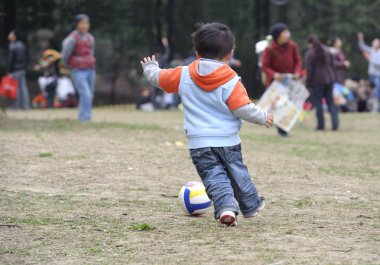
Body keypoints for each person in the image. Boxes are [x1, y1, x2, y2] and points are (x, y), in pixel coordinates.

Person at [140, 22, 274, 226]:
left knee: (214, 177)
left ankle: (226, 208)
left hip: (199, 143)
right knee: (238, 172)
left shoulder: (183, 74)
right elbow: (242, 107)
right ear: (230, 55)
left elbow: (159, 78)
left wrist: (150, 67)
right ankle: (251, 205)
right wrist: (262, 117)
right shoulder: (231, 80)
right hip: (228, 140)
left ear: (197, 53)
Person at [261, 23, 302, 137]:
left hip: (290, 81)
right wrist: (274, 74)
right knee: (279, 106)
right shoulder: (269, 49)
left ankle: (284, 127)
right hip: (276, 83)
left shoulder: (293, 46)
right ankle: (282, 129)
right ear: (278, 36)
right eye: (284, 32)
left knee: (290, 105)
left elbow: (298, 61)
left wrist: (297, 73)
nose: (287, 34)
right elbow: (264, 66)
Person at [62, 14, 95, 121]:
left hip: (90, 68)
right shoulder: (71, 39)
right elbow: (65, 54)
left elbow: (91, 52)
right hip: (77, 69)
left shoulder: (91, 38)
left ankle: (84, 116)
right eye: (82, 23)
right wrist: (67, 65)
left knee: (89, 93)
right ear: (77, 24)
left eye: (87, 23)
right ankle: (85, 117)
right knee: (85, 93)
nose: (85, 25)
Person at [304, 34, 339, 131]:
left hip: (317, 81)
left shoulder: (310, 54)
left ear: (309, 43)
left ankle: (321, 125)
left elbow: (309, 70)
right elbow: (333, 65)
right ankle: (335, 124)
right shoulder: (327, 51)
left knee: (318, 103)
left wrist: (308, 82)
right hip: (329, 79)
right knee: (330, 102)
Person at [7, 30, 30, 110]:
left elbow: (11, 60)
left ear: (14, 36)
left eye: (10, 35)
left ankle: (16, 107)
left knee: (15, 89)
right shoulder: (22, 45)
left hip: (15, 70)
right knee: (24, 89)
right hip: (22, 69)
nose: (9, 36)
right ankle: (26, 106)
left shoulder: (12, 46)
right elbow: (26, 58)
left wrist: (9, 71)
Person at [357, 32, 380, 112]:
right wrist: (360, 39)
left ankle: (376, 107)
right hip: (371, 75)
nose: (373, 43)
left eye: (375, 42)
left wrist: (370, 59)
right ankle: (372, 107)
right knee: (371, 91)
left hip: (378, 75)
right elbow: (362, 47)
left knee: (377, 90)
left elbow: (378, 64)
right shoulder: (372, 50)